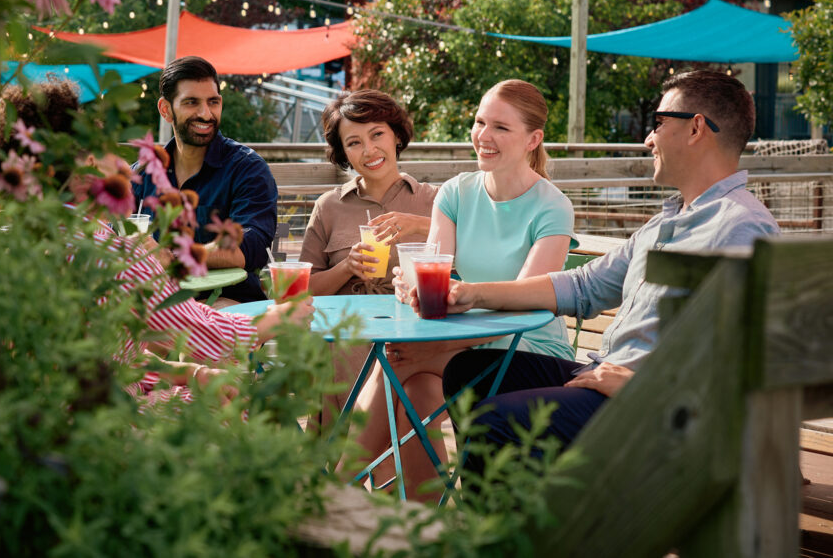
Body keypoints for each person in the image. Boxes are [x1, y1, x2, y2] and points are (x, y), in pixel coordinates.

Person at [437, 70, 779, 483]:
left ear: (695, 128)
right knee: (470, 372)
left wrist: (642, 386)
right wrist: (473, 293)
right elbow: (582, 286)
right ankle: (532, 527)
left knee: (493, 422)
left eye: (658, 123)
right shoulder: (664, 222)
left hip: (652, 407)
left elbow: (754, 355)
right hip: (606, 378)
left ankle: (501, 541)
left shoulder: (741, 226)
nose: (648, 139)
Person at [0, 79, 313, 409]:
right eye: (110, 153)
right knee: (243, 408)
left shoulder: (12, 241)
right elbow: (211, 336)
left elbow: (103, 364)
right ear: (87, 163)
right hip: (108, 431)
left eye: (213, 102)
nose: (123, 166)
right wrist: (279, 317)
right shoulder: (110, 250)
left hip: (36, 421)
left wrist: (191, 373)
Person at [351, 79, 577, 500]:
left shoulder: (552, 207)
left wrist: (434, 349)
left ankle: (324, 490)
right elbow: (435, 279)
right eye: (479, 122)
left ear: (534, 139)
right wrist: (410, 284)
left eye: (500, 128)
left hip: (528, 351)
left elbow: (521, 311)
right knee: (415, 386)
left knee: (395, 362)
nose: (483, 136)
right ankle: (420, 521)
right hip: (462, 346)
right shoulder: (456, 193)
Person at [131, 56, 277, 304]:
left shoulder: (248, 169)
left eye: (213, 102)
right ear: (166, 110)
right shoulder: (143, 174)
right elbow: (111, 236)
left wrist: (174, 258)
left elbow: (249, 246)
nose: (205, 113)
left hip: (229, 303)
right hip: (155, 303)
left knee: (195, 333)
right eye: (191, 102)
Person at [299, 89, 438, 295]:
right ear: (344, 152)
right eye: (354, 143)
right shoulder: (327, 207)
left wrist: (419, 225)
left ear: (397, 136)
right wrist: (346, 267)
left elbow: (475, 252)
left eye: (377, 134)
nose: (369, 150)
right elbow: (303, 290)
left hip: (416, 320)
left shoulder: (436, 199)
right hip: (347, 323)